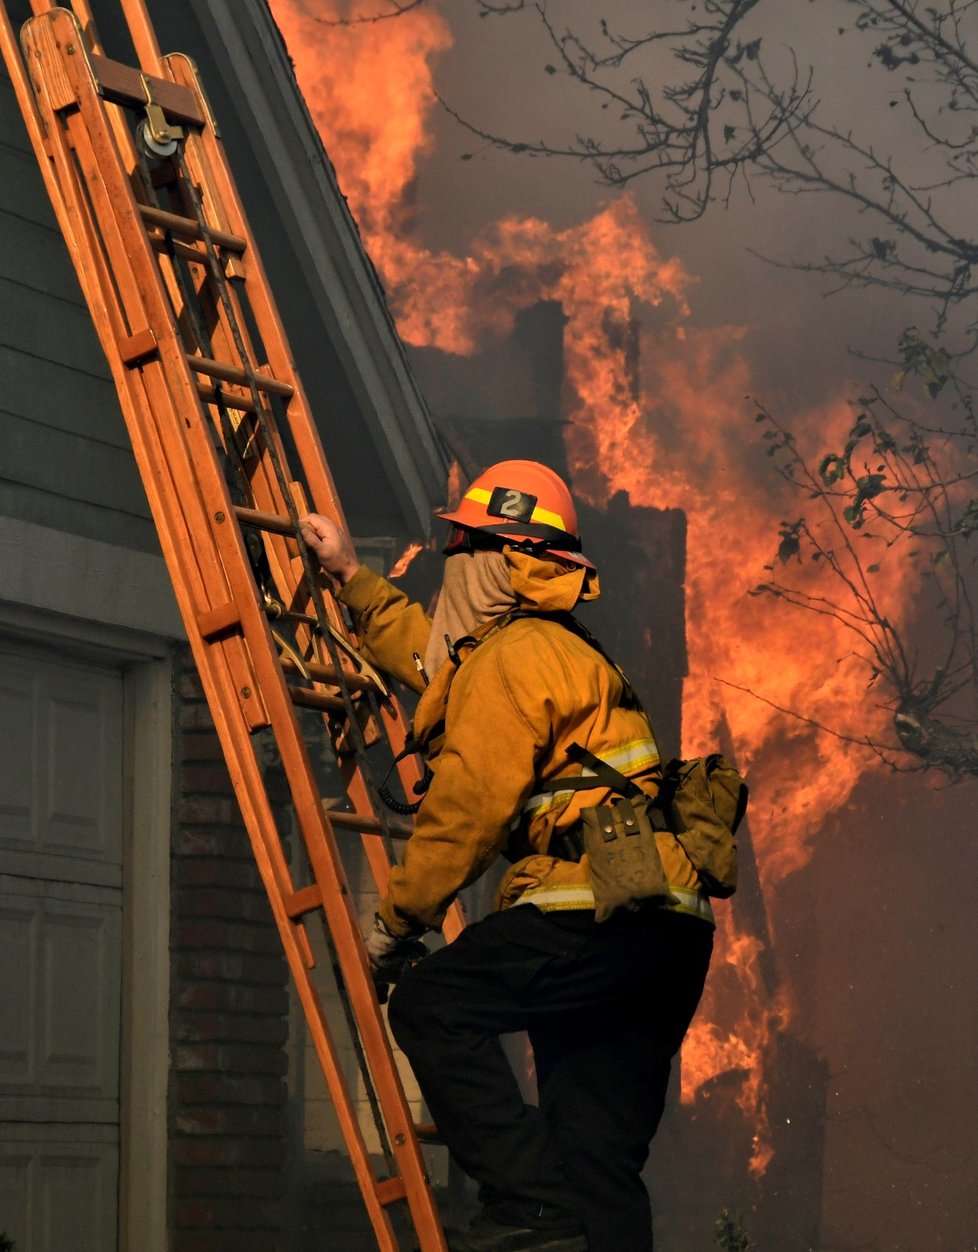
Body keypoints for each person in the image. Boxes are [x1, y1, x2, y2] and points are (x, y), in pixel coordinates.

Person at [300, 461, 715, 1252]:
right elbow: (436, 666)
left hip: (589, 908)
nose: (449, 558)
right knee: (597, 1159)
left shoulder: (512, 658)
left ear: (497, 559)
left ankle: (530, 1205)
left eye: (460, 544)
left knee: (432, 1008)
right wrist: (352, 576)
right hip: (666, 926)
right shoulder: (547, 650)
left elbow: (466, 810)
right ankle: (563, 1210)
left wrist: (396, 922)